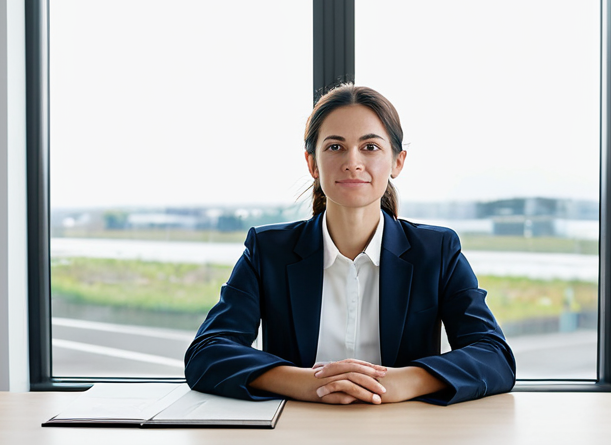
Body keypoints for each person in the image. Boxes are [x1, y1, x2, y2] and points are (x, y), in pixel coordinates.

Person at [184, 84, 516, 405]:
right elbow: (208, 352)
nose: (352, 162)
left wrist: (402, 382)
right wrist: (308, 383)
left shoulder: (437, 251)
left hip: (404, 430)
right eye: (335, 147)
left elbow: (493, 356)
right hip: (294, 430)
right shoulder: (268, 250)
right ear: (312, 163)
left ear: (397, 162)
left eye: (370, 147)